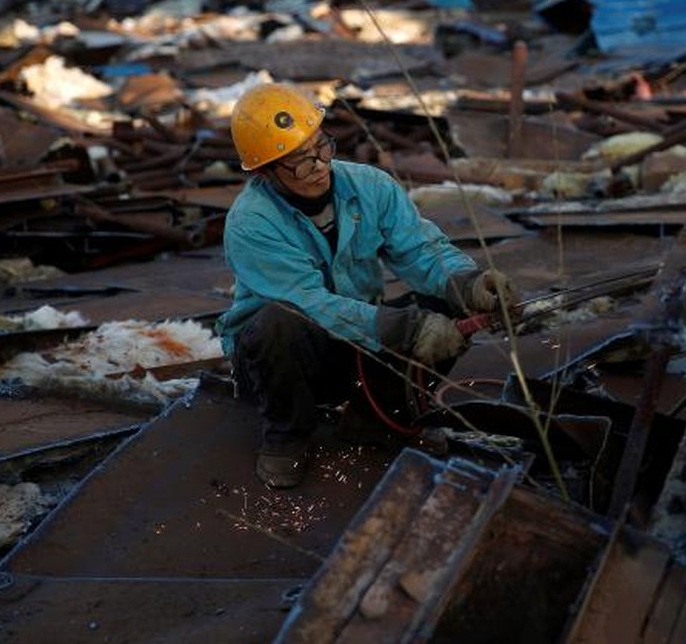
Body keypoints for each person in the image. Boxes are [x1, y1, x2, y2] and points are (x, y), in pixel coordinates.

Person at [216, 83, 519, 489]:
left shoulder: (370, 186)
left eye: (322, 147)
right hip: (283, 361)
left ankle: (375, 420)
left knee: (449, 302)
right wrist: (406, 328)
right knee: (278, 321)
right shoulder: (251, 222)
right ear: (266, 172)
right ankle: (286, 436)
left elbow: (421, 251)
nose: (320, 166)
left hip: (356, 343)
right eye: (300, 163)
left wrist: (468, 284)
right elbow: (310, 304)